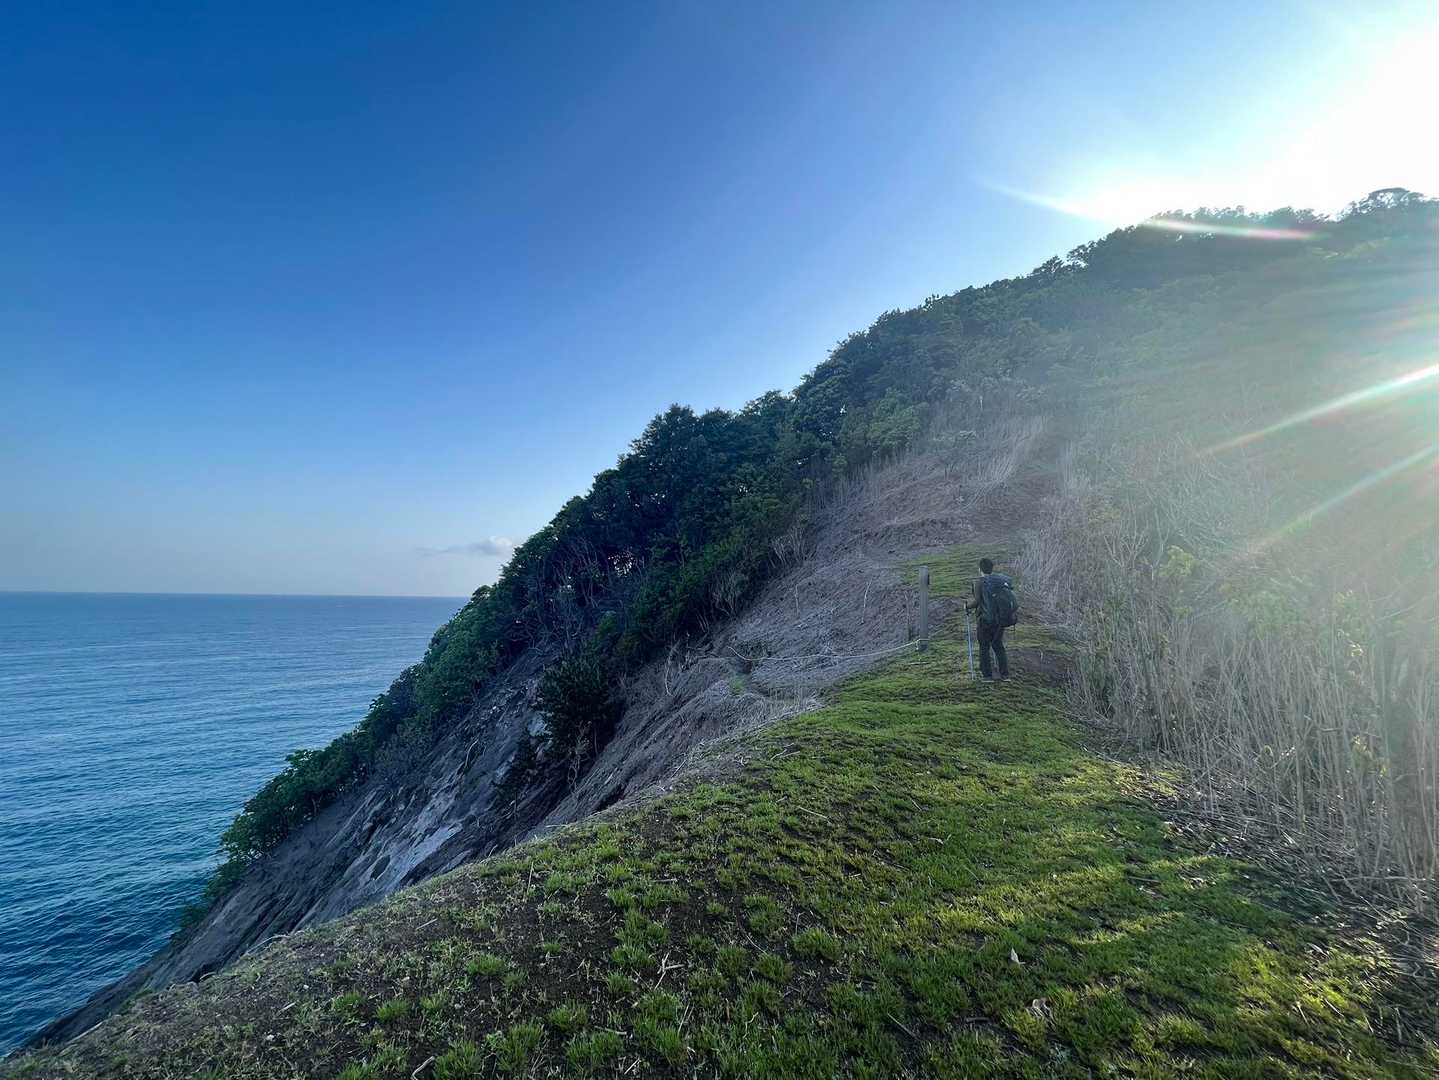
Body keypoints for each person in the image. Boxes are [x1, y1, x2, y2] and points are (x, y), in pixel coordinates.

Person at [964, 557, 1011, 681]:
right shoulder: (999, 581)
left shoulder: (979, 583)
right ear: (991, 568)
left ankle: (987, 676)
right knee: (998, 645)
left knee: (984, 646)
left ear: (980, 569)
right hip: (1000, 619)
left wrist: (967, 606)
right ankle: (1005, 675)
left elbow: (977, 601)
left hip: (985, 619)